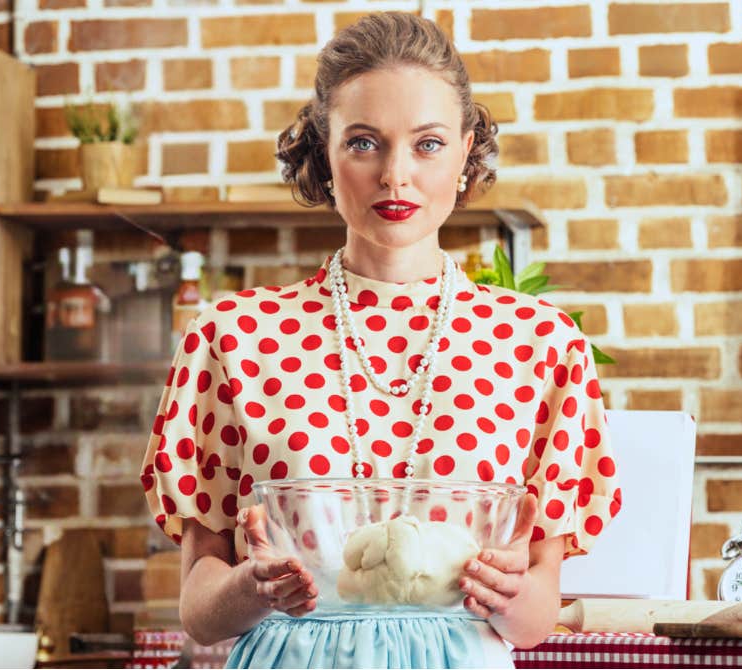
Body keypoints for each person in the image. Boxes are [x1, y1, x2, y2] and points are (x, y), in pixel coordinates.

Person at [139, 12, 621, 669]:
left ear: (464, 150)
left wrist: (507, 597)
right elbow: (197, 607)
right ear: (324, 153)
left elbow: (537, 616)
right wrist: (249, 591)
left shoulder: (540, 344)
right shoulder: (232, 336)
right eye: (364, 142)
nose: (396, 174)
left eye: (427, 144)